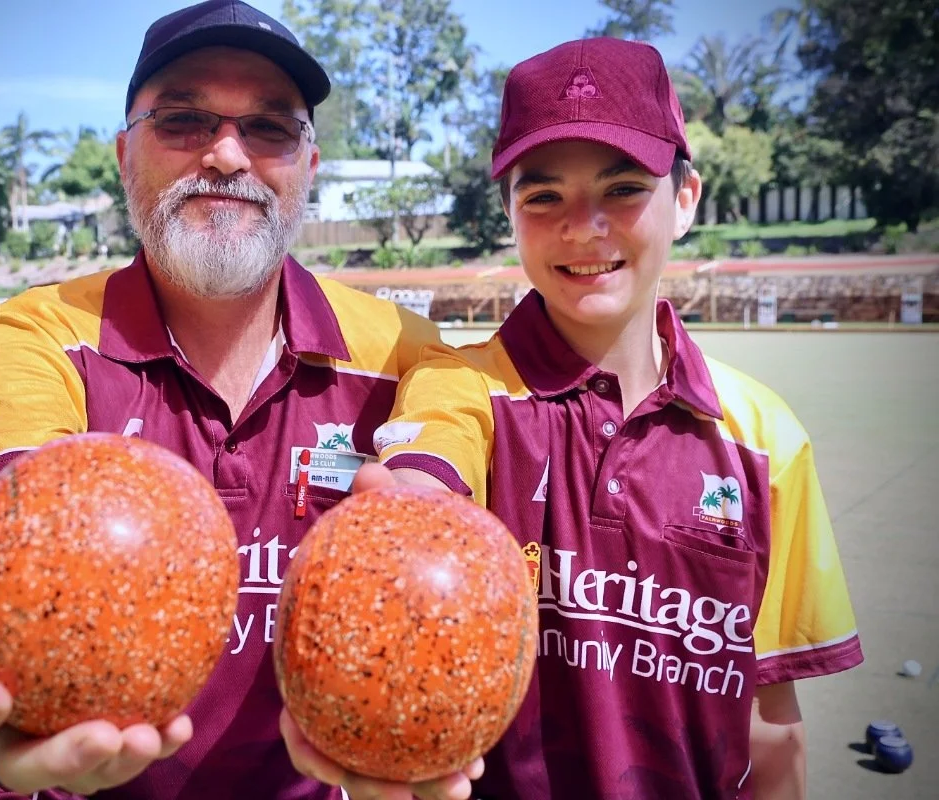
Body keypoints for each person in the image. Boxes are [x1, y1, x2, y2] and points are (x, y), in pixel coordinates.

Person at [0, 2, 477, 798]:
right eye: (182, 120)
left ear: (309, 165)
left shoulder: (407, 351)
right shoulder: (40, 329)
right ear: (123, 156)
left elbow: (443, 513)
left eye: (269, 129)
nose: (225, 154)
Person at [287, 37, 864, 799]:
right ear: (509, 213)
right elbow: (425, 463)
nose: (582, 225)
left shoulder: (765, 439)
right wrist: (409, 500)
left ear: (685, 198)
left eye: (623, 188)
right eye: (543, 195)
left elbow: (769, 707)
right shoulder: (461, 386)